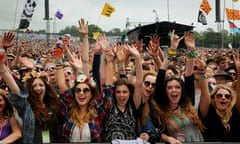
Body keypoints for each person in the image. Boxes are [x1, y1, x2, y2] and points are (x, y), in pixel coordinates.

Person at [0, 32, 64, 144]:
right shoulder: (26, 106)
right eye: (34, 86)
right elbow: (14, 88)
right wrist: (2, 50)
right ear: (29, 89)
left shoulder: (55, 105)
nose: (38, 88)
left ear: (47, 88)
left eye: (41, 85)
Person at [154, 31, 204, 143]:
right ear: (165, 91)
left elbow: (189, 75)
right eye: (169, 88)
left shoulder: (187, 103)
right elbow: (161, 73)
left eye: (177, 87)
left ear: (182, 90)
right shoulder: (162, 108)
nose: (174, 90)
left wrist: (191, 50)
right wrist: (172, 49)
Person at [198, 52, 240, 142]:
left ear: (231, 100)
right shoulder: (208, 111)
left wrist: (239, 71)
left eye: (227, 96)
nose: (223, 98)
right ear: (213, 98)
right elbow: (204, 91)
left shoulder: (235, 112)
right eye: (219, 96)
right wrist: (202, 70)